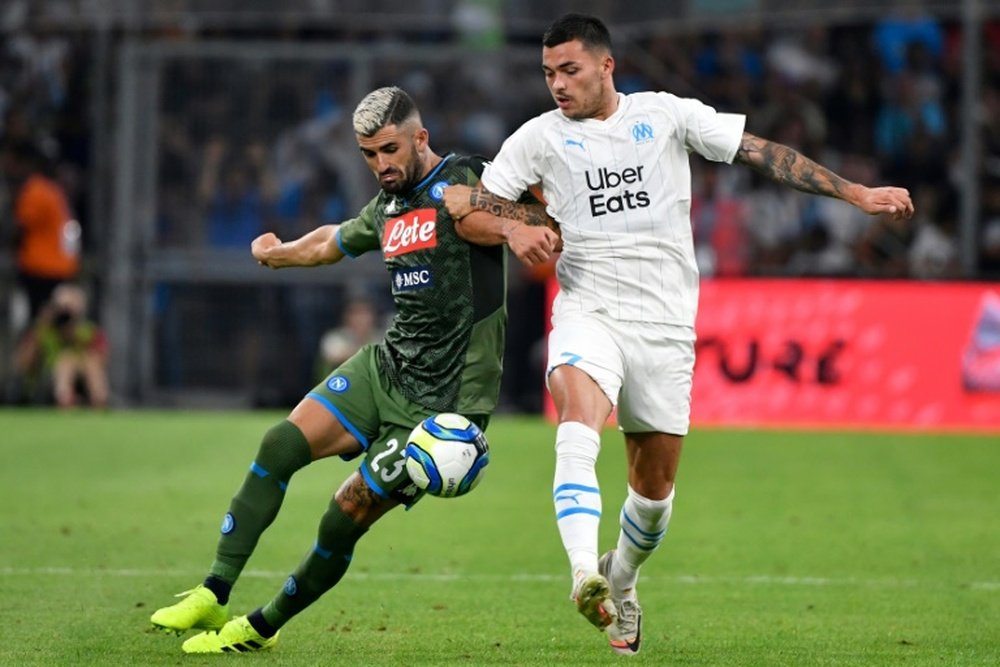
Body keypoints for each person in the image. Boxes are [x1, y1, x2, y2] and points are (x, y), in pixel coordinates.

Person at [443, 13, 914, 656]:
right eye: (549, 73)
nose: (558, 84)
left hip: (665, 326)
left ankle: (621, 579)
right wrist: (514, 228)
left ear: (607, 66)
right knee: (578, 421)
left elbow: (761, 153)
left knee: (655, 495)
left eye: (570, 70)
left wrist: (855, 193)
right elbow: (469, 208)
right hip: (589, 311)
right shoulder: (538, 138)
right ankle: (583, 572)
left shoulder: (666, 115)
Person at [150, 86, 542, 653]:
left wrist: (510, 223)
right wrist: (279, 252)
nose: (381, 165)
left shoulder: (471, 176)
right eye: (369, 154)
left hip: (442, 406)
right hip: (386, 366)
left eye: (389, 150)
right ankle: (213, 589)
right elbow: (334, 242)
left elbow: (542, 213)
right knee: (278, 445)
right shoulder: (390, 205)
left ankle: (261, 627)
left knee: (345, 514)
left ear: (420, 138)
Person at [1, 140, 81, 321]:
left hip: (42, 269)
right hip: (60, 267)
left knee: (40, 324)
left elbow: (19, 228)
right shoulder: (51, 189)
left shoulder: (35, 190)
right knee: (52, 325)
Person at [12, 282, 108, 408]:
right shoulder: (43, 330)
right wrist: (41, 328)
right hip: (48, 381)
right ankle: (65, 401)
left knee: (85, 362)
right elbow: (22, 364)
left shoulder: (88, 332)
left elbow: (101, 361)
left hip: (83, 378)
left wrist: (74, 337)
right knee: (65, 362)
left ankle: (98, 402)